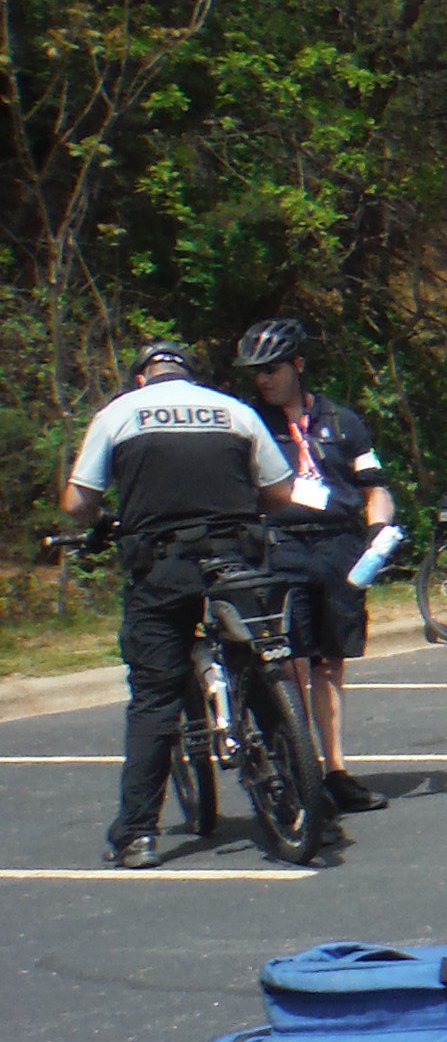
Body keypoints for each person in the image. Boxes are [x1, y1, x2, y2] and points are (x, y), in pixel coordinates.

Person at [64, 342, 314, 868]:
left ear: (140, 379)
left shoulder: (118, 415)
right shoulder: (235, 411)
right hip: (235, 560)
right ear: (192, 376)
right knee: (257, 661)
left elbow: (78, 501)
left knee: (155, 696)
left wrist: (106, 523)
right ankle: (303, 796)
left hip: (162, 569)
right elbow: (280, 492)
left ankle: (137, 835)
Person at [238, 318, 396, 819]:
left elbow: (374, 486)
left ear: (297, 366)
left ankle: (334, 770)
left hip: (338, 545)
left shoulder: (342, 420)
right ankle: (299, 769)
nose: (263, 379)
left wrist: (377, 533)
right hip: (281, 545)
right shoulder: (248, 423)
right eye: (255, 372)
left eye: (272, 369)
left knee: (331, 662)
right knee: (291, 663)